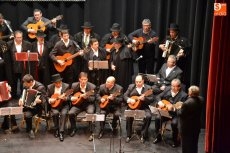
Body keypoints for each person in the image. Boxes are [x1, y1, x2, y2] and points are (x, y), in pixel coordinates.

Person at [153, 78, 187, 148]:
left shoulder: (184, 96)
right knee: (157, 118)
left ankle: (175, 141)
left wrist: (173, 108)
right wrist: (160, 102)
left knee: (174, 123)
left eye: (175, 86)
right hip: (165, 112)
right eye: (172, 86)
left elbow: (182, 110)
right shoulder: (167, 89)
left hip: (175, 115)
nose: (173, 88)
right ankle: (158, 137)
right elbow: (158, 96)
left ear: (179, 87)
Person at [124, 75, 154, 143]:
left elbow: (152, 99)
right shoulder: (131, 86)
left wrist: (145, 99)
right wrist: (129, 100)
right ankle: (128, 135)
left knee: (148, 116)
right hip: (132, 107)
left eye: (139, 82)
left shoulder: (148, 88)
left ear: (143, 81)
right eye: (136, 82)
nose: (138, 83)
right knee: (128, 116)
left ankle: (143, 135)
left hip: (144, 107)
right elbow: (125, 95)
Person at [68, 72, 96, 141]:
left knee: (90, 113)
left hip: (88, 104)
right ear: (79, 79)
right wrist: (71, 98)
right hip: (78, 104)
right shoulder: (74, 85)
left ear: (87, 79)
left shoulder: (92, 87)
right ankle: (73, 128)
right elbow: (68, 94)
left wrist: (86, 97)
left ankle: (91, 131)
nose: (83, 81)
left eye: (85, 79)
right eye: (82, 79)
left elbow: (93, 99)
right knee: (71, 113)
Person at [18, 74, 47, 139]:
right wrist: (20, 99)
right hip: (26, 105)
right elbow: (23, 95)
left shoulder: (40, 87)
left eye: (25, 83)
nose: (24, 84)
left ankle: (30, 130)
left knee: (27, 115)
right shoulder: (25, 85)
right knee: (16, 110)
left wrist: (39, 100)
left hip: (37, 107)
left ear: (31, 82)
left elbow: (44, 100)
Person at [178, 85, 203, 153]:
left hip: (187, 128)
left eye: (189, 91)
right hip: (196, 126)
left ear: (190, 93)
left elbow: (180, 114)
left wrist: (179, 108)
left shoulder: (187, 103)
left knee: (186, 146)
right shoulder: (201, 99)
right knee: (194, 144)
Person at [7, 30, 32, 99]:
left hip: (23, 68)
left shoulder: (28, 44)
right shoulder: (9, 44)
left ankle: (23, 98)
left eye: (20, 37)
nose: (19, 39)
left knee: (23, 84)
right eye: (18, 37)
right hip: (13, 68)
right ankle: (13, 98)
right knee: (13, 84)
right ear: (14, 37)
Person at [47, 74, 70, 142]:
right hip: (54, 105)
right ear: (54, 83)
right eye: (56, 83)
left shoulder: (66, 86)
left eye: (60, 82)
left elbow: (69, 97)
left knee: (63, 114)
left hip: (64, 105)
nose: (58, 84)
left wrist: (65, 98)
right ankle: (56, 129)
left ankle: (61, 132)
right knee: (55, 113)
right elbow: (47, 96)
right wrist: (51, 100)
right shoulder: (50, 87)